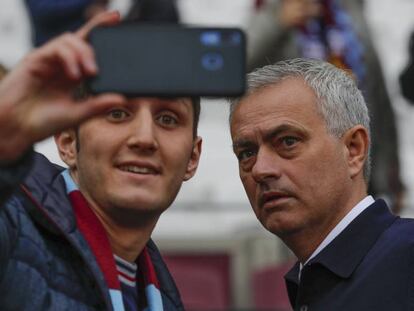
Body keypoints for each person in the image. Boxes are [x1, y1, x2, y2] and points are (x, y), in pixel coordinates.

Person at [0, 11, 202, 311]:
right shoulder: (11, 225)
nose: (145, 138)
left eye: (168, 118)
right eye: (117, 113)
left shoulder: (166, 298)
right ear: (67, 141)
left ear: (192, 158)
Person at [228, 58, 414, 310]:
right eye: (247, 153)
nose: (261, 169)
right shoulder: (313, 277)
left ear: (353, 149)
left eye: (288, 142)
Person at [246, 0, 405, 213]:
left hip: (358, 162)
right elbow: (238, 66)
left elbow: (378, 94)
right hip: (297, 168)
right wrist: (277, 22)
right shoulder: (274, 9)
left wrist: (391, 174)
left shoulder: (348, 9)